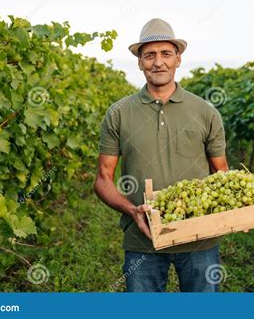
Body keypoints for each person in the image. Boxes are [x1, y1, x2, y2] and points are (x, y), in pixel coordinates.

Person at [94, 18, 229, 292]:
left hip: (199, 238)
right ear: (140, 62)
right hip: (143, 239)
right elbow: (102, 179)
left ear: (178, 59)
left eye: (166, 53)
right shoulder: (119, 113)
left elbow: (222, 175)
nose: (159, 62)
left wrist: (235, 214)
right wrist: (132, 211)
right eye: (150, 55)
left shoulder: (205, 112)